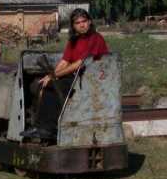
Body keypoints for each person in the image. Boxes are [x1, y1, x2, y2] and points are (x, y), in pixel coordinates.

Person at [20, 8, 109, 141]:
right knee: (41, 85)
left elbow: (79, 64)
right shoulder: (73, 41)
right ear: (73, 25)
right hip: (77, 77)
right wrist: (51, 75)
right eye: (78, 23)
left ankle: (47, 129)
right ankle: (38, 126)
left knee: (54, 86)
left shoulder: (95, 38)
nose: (82, 24)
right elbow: (65, 61)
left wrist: (53, 76)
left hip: (90, 79)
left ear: (89, 22)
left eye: (84, 21)